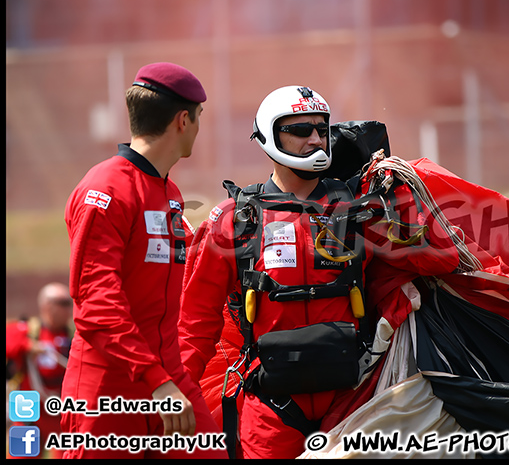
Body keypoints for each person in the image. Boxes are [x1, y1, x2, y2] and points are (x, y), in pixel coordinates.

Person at [177, 85, 459, 459]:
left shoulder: (361, 209)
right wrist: (176, 391)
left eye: (320, 130)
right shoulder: (236, 219)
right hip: (272, 404)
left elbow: (443, 260)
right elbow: (195, 321)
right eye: (300, 130)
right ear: (269, 135)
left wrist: (401, 201)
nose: (315, 139)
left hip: (355, 398)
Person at [61, 62, 227, 458]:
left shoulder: (169, 191)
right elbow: (97, 304)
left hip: (168, 378)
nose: (200, 129)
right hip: (108, 391)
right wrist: (157, 382)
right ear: (183, 120)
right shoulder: (105, 189)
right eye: (200, 117)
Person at [6, 282, 73, 459]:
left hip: (60, 412)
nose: (68, 309)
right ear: (47, 305)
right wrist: (27, 346)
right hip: (28, 410)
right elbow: (9, 342)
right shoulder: (29, 330)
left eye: (69, 303)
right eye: (63, 303)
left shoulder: (72, 337)